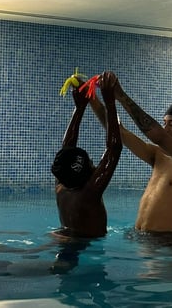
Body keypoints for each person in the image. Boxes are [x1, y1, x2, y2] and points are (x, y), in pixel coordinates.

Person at [89, 71, 172, 235]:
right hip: (141, 238)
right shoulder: (159, 156)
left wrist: (121, 96)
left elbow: (158, 136)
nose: (166, 129)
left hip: (169, 245)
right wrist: (91, 98)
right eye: (164, 123)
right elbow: (120, 132)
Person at [50, 71, 123, 238]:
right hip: (85, 249)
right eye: (90, 162)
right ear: (88, 173)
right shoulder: (90, 193)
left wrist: (80, 107)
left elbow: (67, 149)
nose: (93, 163)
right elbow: (114, 150)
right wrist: (110, 103)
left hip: (66, 238)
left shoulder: (62, 184)